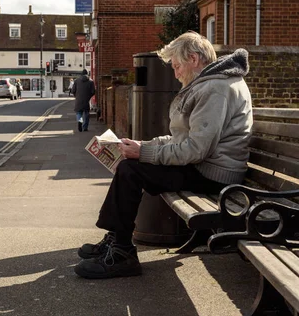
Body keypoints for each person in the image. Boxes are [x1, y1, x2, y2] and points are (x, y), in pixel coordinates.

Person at [74, 31, 253, 279]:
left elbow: (196, 149)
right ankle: (116, 240)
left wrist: (144, 152)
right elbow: (185, 140)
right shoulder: (211, 84)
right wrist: (143, 145)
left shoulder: (215, 89)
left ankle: (122, 252)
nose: (176, 73)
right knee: (131, 164)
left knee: (131, 169)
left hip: (213, 175)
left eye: (177, 66)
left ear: (193, 58)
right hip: (205, 166)